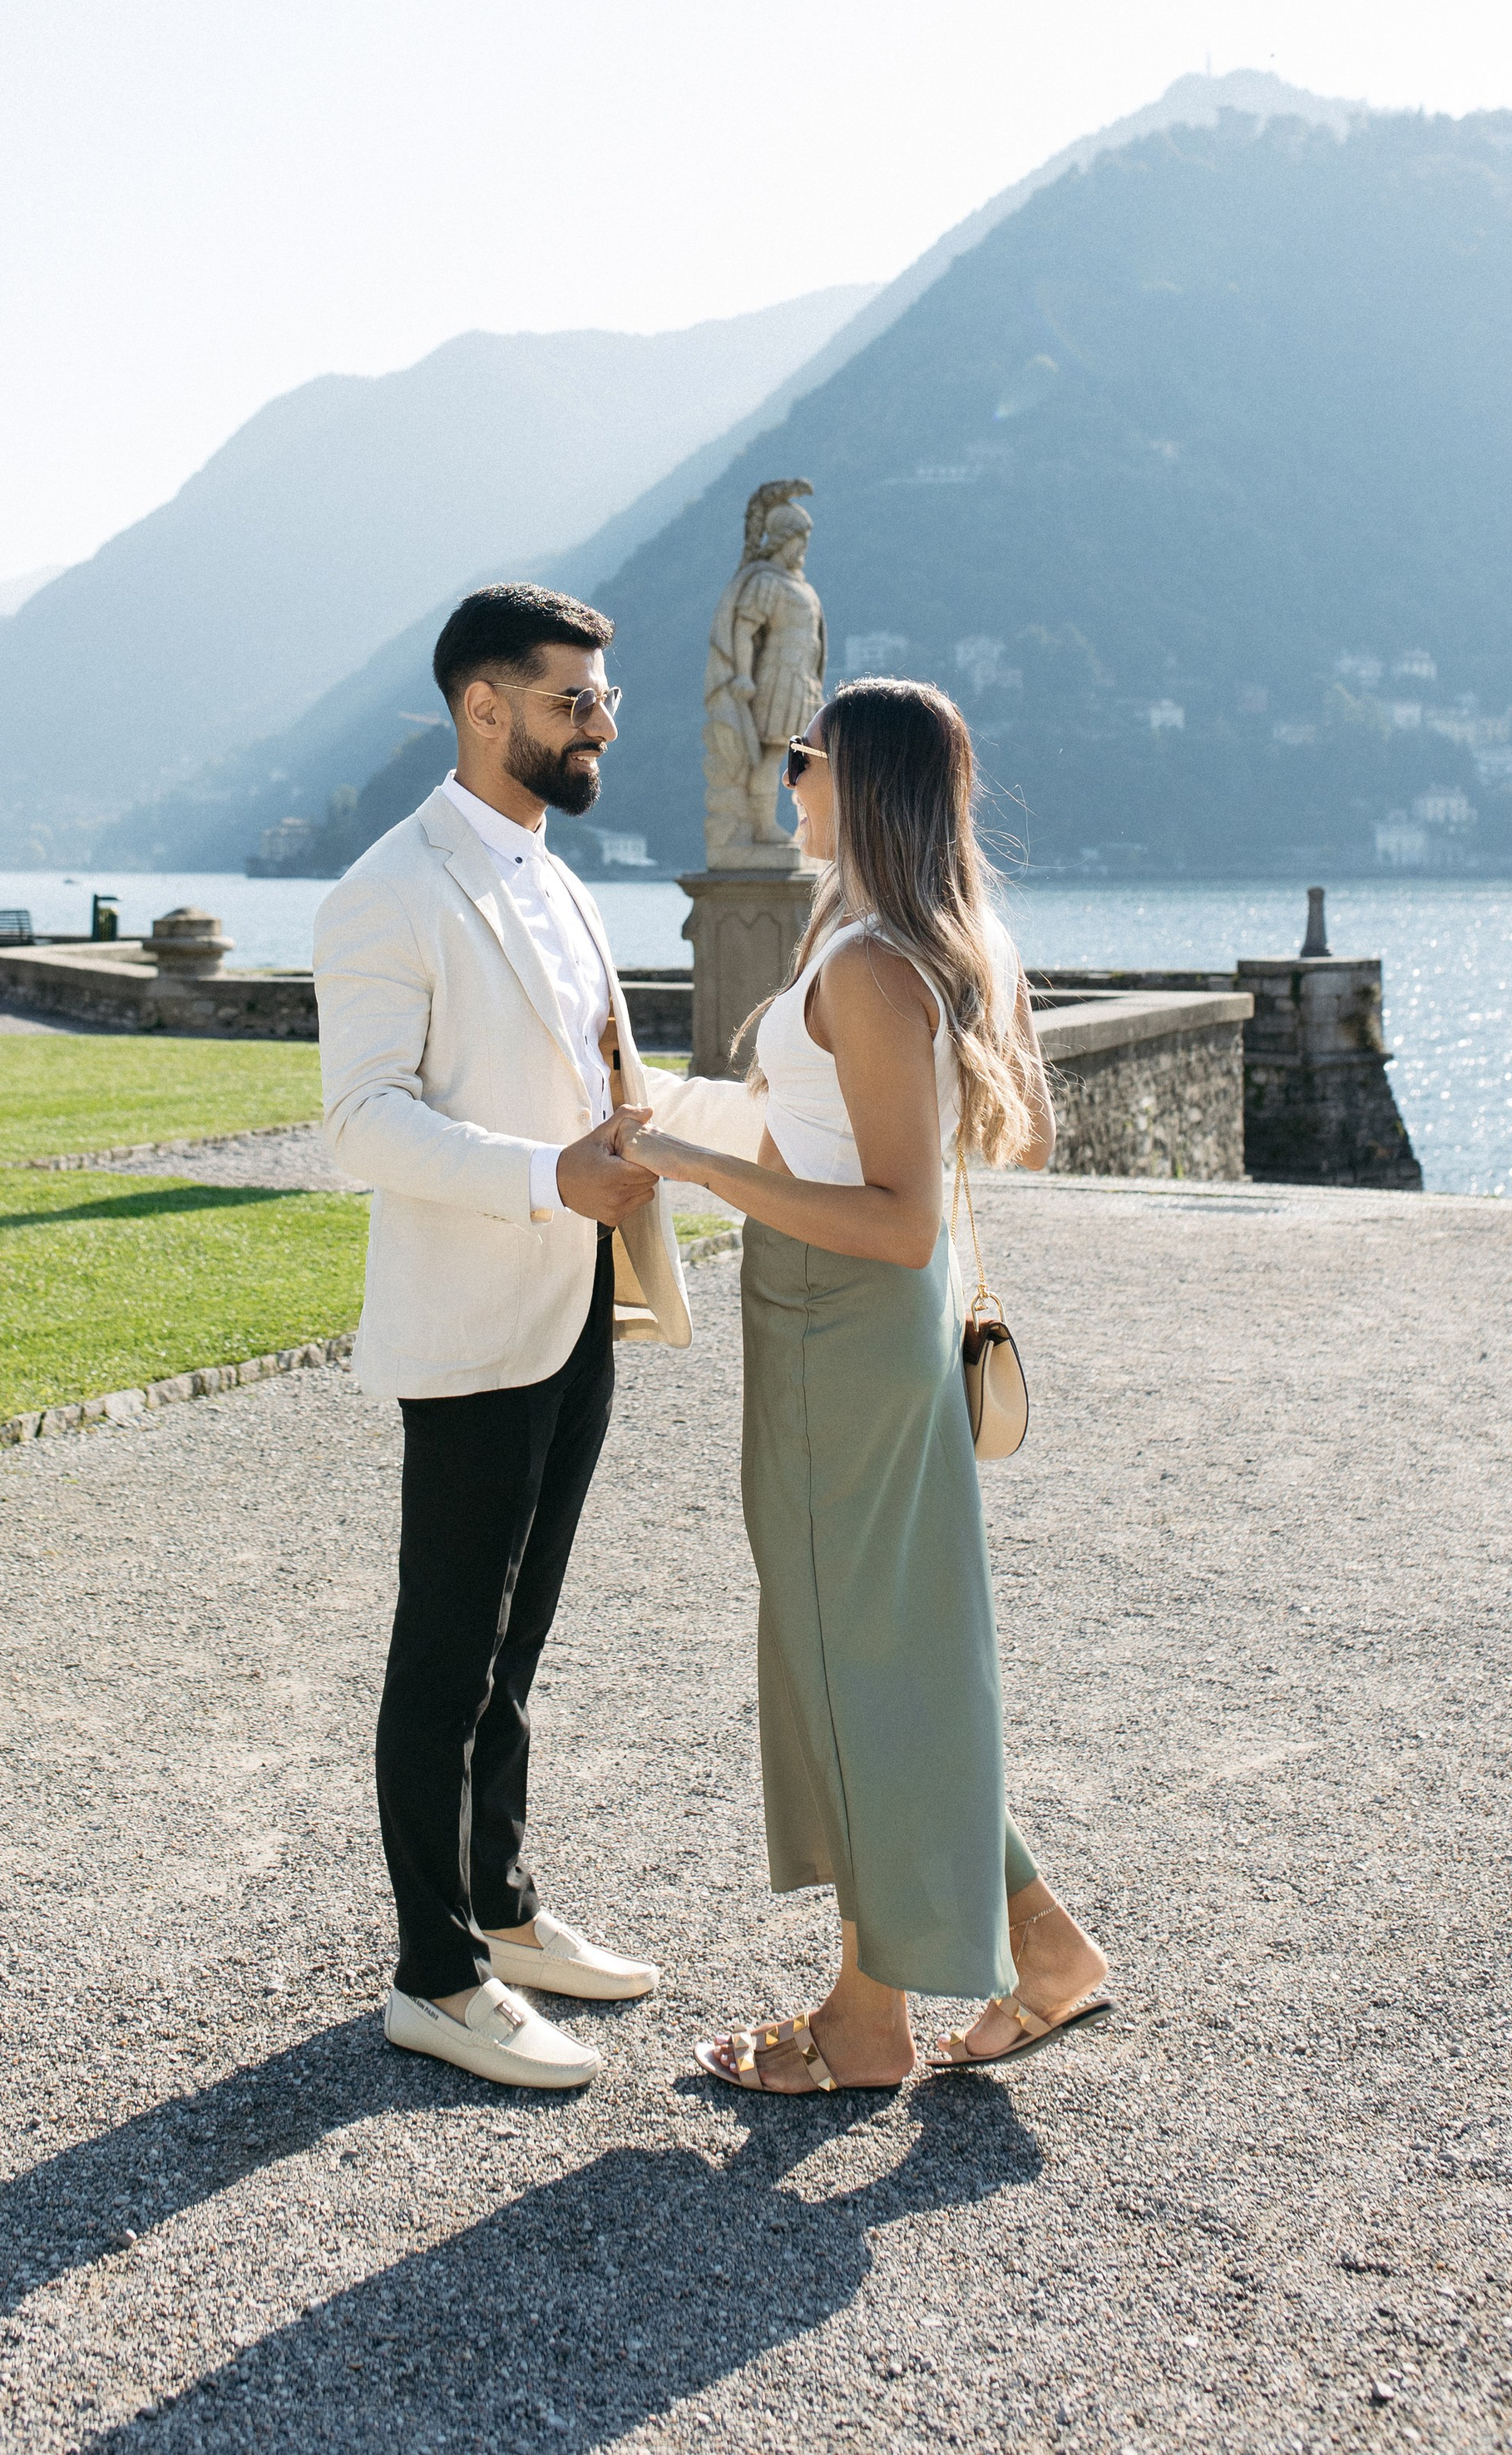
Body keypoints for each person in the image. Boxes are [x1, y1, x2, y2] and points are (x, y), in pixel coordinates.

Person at [617, 678, 1113, 2093]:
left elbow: (896, 1213)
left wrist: (700, 1173)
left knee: (856, 1661)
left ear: (863, 783)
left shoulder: (873, 961)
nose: (786, 783)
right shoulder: (911, 941)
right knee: (884, 1653)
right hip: (856, 1320)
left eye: (803, 759)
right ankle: (1042, 1946)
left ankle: (864, 2019)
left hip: (849, 1320)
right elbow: (838, 1137)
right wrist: (671, 1114)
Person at [313, 582, 763, 2091]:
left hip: (581, 1305)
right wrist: (542, 1181)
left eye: (605, 700)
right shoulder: (389, 889)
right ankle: (431, 1972)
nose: (603, 725)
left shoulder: (564, 884)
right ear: (483, 708)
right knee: (441, 1654)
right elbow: (363, 1124)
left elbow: (595, 1078)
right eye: (576, 701)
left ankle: (497, 1908)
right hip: (470, 1319)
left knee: (518, 1643)